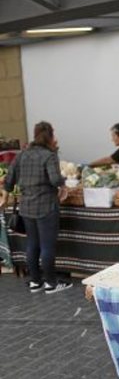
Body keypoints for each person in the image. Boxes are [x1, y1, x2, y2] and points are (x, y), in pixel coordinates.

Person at [0, 122, 72, 294]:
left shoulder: (22, 154)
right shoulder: (49, 155)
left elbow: (9, 179)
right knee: (47, 246)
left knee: (32, 244)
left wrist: (4, 197)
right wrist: (63, 186)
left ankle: (35, 281)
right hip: (46, 206)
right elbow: (55, 180)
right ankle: (51, 284)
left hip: (26, 206)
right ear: (50, 135)